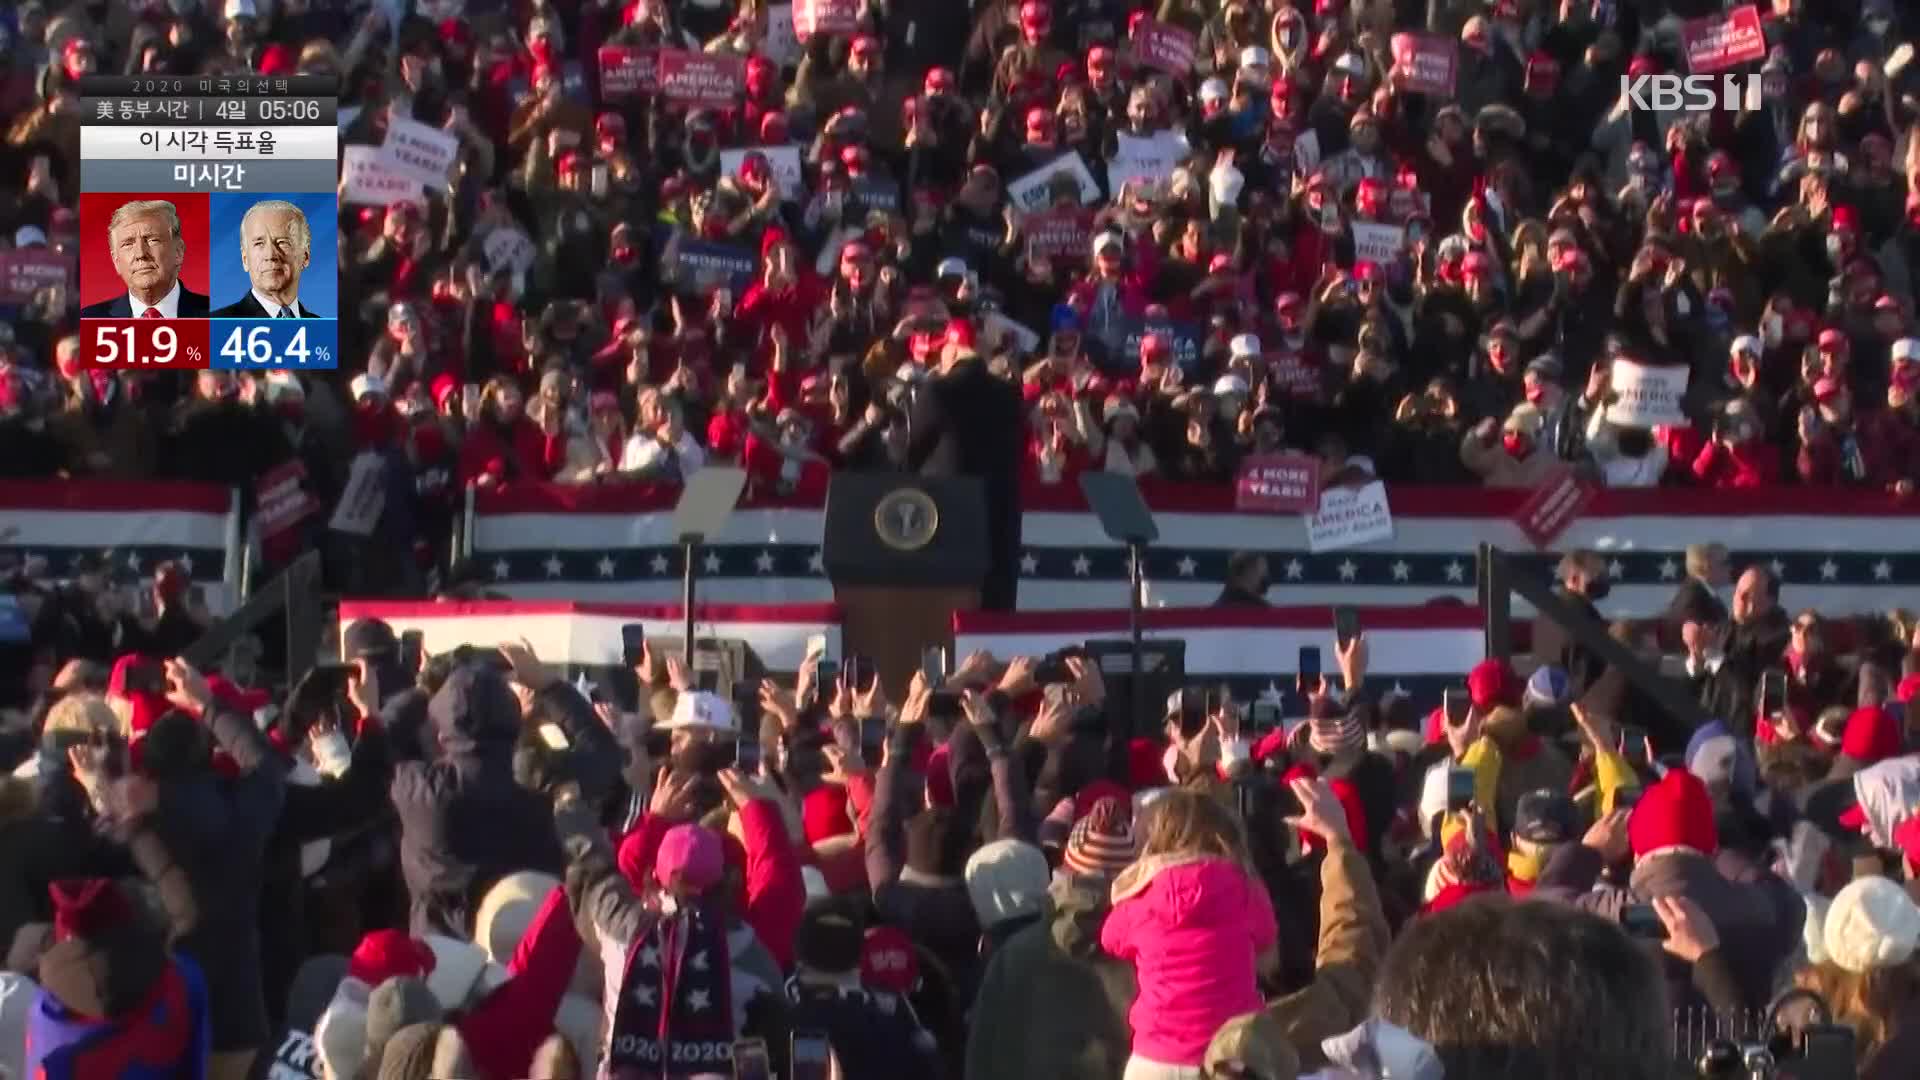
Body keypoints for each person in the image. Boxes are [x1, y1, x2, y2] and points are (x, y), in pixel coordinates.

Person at [1100, 786, 1278, 1079]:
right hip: (1231, 1055)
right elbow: (1266, 940)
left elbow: (1110, 939)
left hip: (1156, 1057)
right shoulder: (1245, 888)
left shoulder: (1140, 896)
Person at [907, 321, 1025, 611]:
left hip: (947, 517)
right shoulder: (1009, 394)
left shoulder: (937, 391)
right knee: (993, 611)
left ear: (953, 350)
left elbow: (912, 456)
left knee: (945, 613)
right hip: (998, 519)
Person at [79, 199, 210, 318]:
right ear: (116, 261)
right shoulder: (88, 321)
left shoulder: (220, 316)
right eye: (128, 244)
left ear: (178, 252)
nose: (140, 254)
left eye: (152, 240)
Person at [211, 199, 323, 318]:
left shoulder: (327, 330)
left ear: (305, 256)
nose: (270, 255)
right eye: (259, 243)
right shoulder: (214, 325)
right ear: (245, 259)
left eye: (282, 242)